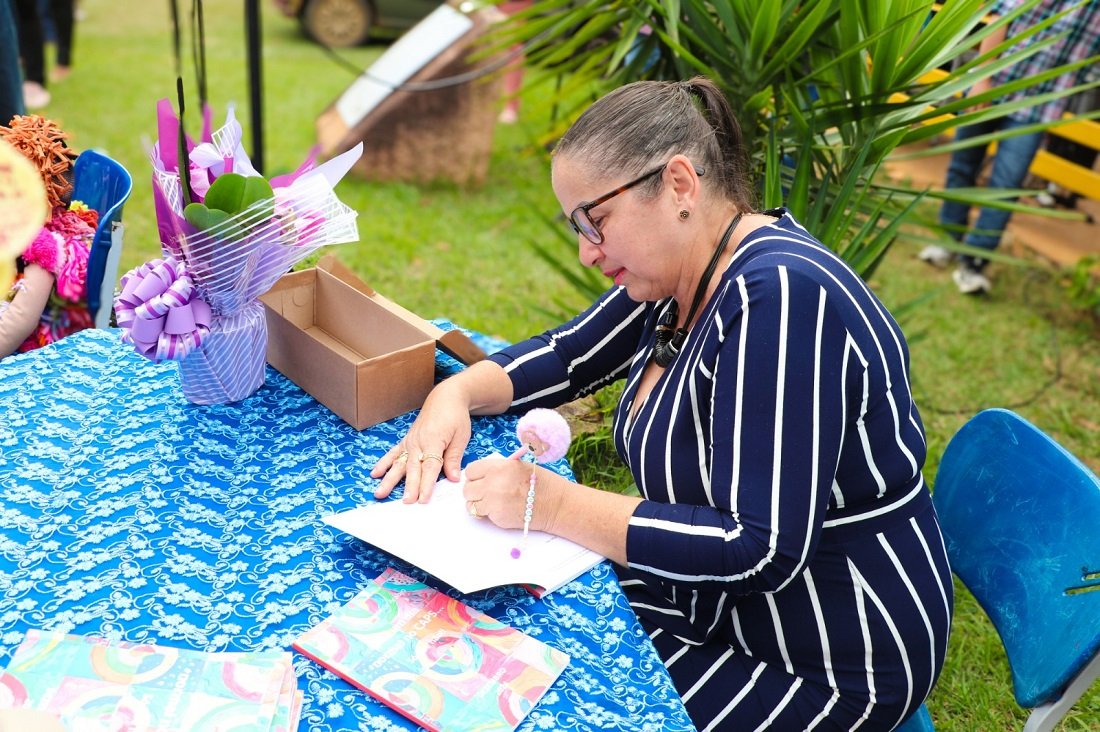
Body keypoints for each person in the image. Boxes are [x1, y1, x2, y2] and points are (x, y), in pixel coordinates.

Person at [371, 77, 954, 730]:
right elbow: (565, 356)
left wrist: (550, 503)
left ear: (679, 184)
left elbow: (757, 548)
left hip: (823, 657)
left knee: (544, 696)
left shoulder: (783, 300)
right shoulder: (681, 277)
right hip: (715, 604)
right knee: (500, 640)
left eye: (595, 221)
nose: (587, 251)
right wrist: (453, 392)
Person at [920, 0, 1100, 294]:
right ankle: (948, 241)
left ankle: (974, 262)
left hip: (1036, 106)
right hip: (992, 84)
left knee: (1007, 185)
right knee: (962, 165)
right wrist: (983, 77)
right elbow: (1001, 19)